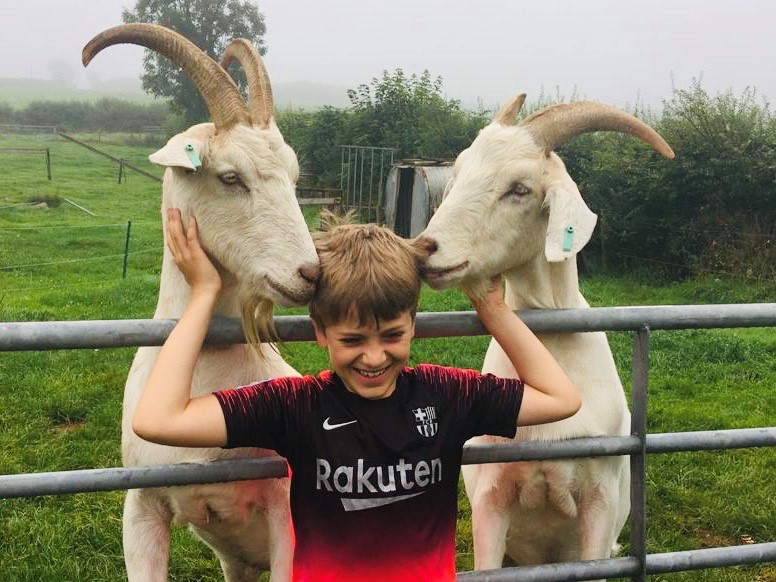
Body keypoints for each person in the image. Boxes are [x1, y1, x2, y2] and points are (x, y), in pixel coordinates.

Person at [134, 208, 582, 582]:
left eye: (391, 335)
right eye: (352, 340)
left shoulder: (447, 395)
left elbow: (561, 398)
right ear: (320, 333)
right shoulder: (296, 405)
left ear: (413, 324)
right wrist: (203, 296)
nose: (373, 357)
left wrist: (495, 310)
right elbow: (158, 420)